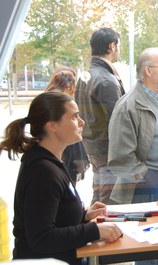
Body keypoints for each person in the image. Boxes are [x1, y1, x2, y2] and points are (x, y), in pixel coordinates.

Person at [0, 92, 123, 265]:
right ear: (52, 126)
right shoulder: (42, 172)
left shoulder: (49, 162)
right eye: (74, 117)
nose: (82, 122)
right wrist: (94, 231)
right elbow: (41, 238)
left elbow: (51, 216)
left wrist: (83, 216)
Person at [108, 47, 158, 265]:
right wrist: (148, 177)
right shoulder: (128, 105)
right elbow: (121, 159)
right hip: (143, 190)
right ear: (148, 70)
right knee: (146, 252)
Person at [75, 27, 125, 205]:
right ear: (112, 46)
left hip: (92, 146)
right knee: (107, 203)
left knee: (97, 197)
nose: (119, 49)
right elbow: (117, 121)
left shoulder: (86, 76)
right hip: (107, 150)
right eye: (119, 45)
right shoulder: (106, 79)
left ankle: (93, 230)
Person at [45, 67, 90, 184]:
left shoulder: (47, 97)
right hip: (66, 147)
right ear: (70, 84)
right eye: (75, 117)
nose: (81, 122)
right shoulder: (61, 101)